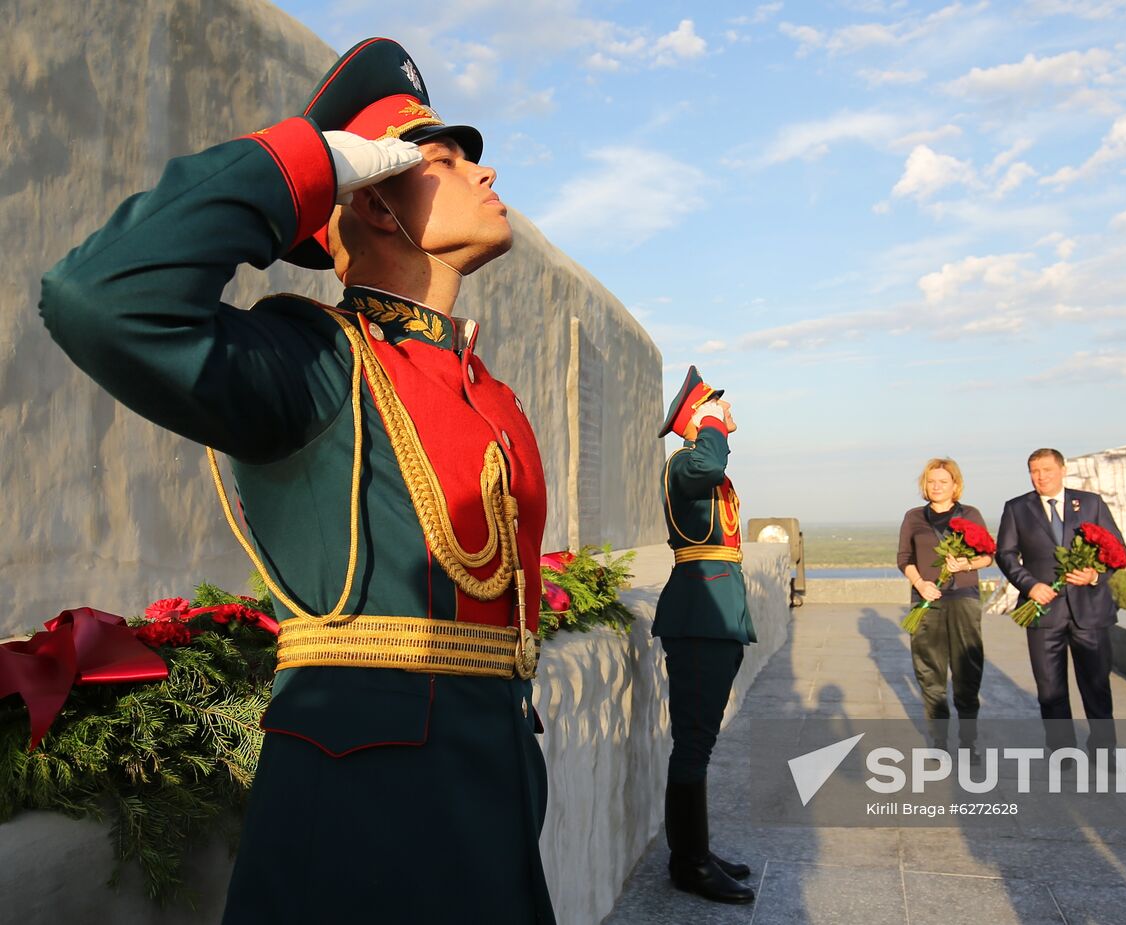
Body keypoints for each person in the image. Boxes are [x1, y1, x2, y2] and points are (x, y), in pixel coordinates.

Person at [39, 38, 555, 923]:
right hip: (360, 836)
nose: (485, 169)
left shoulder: (489, 393)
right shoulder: (317, 363)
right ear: (379, 204)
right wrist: (310, 163)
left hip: (494, 814)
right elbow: (97, 296)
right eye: (444, 158)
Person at [653, 366, 756, 904]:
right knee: (693, 745)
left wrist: (709, 418)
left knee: (702, 742)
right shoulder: (688, 463)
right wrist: (709, 422)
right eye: (719, 404)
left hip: (715, 614)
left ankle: (697, 849)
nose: (728, 410)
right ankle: (688, 863)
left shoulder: (697, 465)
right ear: (698, 417)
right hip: (699, 618)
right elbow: (710, 462)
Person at [995, 448, 1126, 754]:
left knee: (1096, 685)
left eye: (1046, 470)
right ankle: (1061, 750)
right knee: (1050, 689)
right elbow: (1005, 554)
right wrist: (1030, 586)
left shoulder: (1091, 503)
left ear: (1063, 470)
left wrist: (1095, 575)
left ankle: (1104, 748)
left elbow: (1118, 550)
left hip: (1090, 612)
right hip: (1043, 611)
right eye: (1034, 471)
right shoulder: (1016, 508)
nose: (1040, 477)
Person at [897, 457, 992, 758]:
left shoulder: (971, 514)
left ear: (955, 485)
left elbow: (989, 556)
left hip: (963, 599)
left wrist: (967, 563)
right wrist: (921, 584)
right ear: (924, 484)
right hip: (926, 601)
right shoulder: (913, 517)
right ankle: (939, 742)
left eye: (943, 481)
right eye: (931, 481)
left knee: (967, 671)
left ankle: (968, 742)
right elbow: (904, 559)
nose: (936, 486)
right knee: (929, 672)